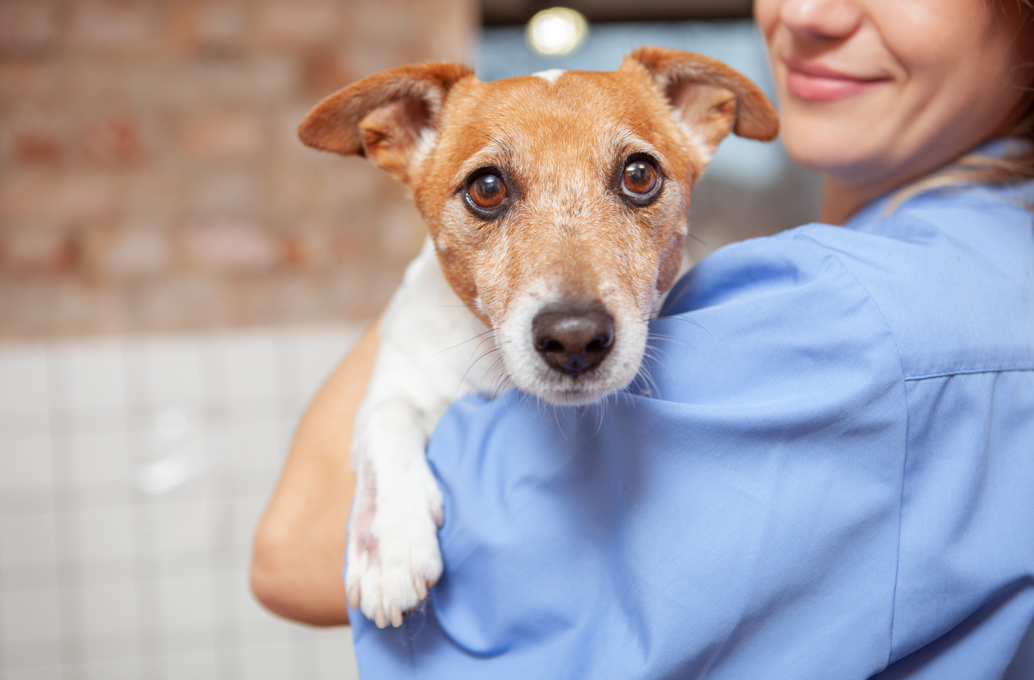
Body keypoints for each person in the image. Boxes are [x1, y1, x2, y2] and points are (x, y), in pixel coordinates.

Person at [251, 0, 1034, 676]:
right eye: (490, 188)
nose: (807, 13)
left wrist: (455, 218)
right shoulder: (990, 260)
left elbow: (296, 552)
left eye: (635, 178)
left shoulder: (846, 320)